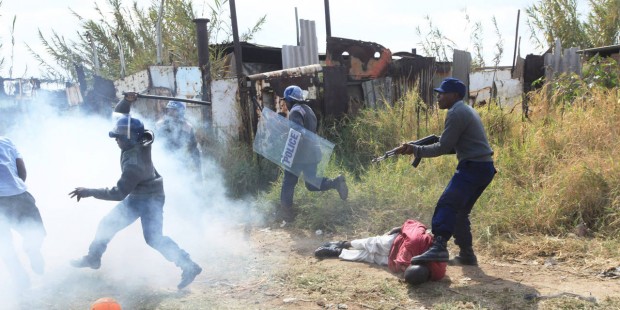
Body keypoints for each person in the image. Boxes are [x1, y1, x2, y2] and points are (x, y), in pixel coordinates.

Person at [68, 93, 202, 290]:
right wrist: (127, 101)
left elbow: (118, 193)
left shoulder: (134, 165)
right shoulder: (141, 137)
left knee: (154, 238)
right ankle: (93, 258)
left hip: (150, 199)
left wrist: (89, 191)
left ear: (129, 137)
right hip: (141, 194)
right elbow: (119, 114)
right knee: (107, 224)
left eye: (119, 137)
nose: (116, 140)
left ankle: (189, 266)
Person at [396, 77, 496, 265]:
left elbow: (443, 147)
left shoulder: (456, 112)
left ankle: (439, 246)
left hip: (473, 167)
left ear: (454, 95)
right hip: (484, 168)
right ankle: (467, 254)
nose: (438, 97)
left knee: (447, 203)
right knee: (459, 212)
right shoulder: (465, 109)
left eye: (442, 93)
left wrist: (415, 150)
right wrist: (417, 147)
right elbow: (452, 145)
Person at [278, 85, 349, 223]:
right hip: (314, 152)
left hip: (300, 155)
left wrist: (288, 152)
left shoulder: (294, 112)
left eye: (285, 100)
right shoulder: (308, 110)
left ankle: (287, 215)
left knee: (288, 182)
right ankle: (335, 183)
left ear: (289, 100)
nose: (285, 104)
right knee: (311, 183)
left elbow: (297, 133)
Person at [313, 219, 446, 285]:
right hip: (397, 242)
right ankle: (344, 243)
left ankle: (337, 252)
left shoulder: (437, 273)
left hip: (392, 260)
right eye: (407, 268)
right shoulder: (415, 240)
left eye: (404, 270)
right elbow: (416, 225)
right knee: (371, 243)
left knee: (368, 257)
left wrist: (410, 276)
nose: (403, 269)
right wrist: (399, 228)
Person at [0, 136, 46, 289]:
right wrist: (16, 187)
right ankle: (33, 249)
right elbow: (22, 169)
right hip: (19, 194)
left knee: (4, 244)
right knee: (35, 231)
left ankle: (20, 278)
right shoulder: (6, 141)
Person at [155, 100, 202, 176]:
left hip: (181, 163)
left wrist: (198, 172)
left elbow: (194, 149)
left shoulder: (188, 127)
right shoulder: (159, 125)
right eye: (169, 110)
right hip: (163, 161)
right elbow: (155, 146)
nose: (170, 113)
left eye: (174, 111)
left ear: (181, 112)